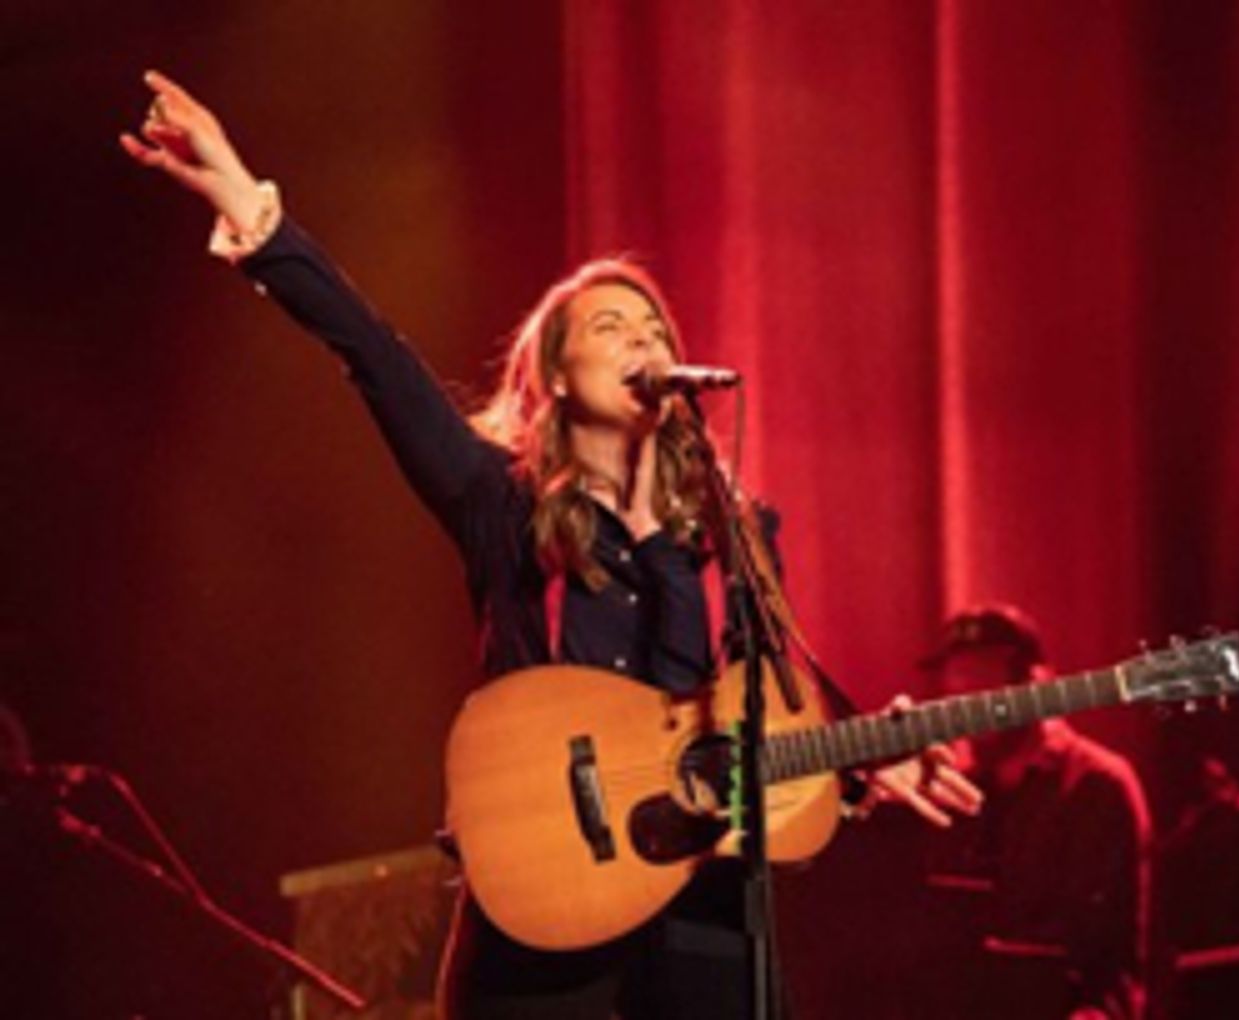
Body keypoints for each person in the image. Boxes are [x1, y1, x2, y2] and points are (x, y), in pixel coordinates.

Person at [119, 70, 983, 1019]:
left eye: (654, 326)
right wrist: (253, 209)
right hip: (545, 907)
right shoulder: (500, 503)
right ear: (556, 378)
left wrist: (872, 754)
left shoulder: (733, 532)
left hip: (699, 917)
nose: (642, 339)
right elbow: (376, 356)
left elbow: (769, 680)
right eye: (611, 327)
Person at [915, 605, 1153, 1020]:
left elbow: (1113, 966)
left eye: (983, 677)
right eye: (957, 678)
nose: (966, 698)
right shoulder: (946, 787)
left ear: (1034, 681)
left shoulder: (1097, 785)